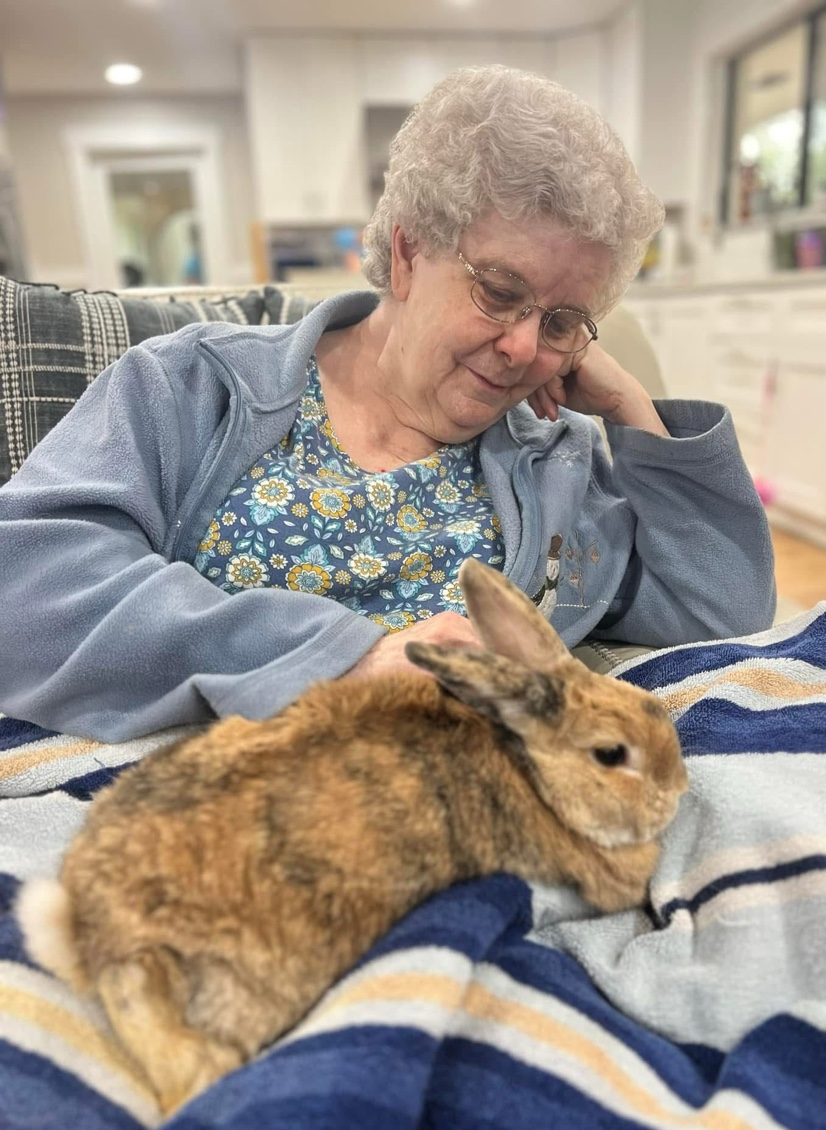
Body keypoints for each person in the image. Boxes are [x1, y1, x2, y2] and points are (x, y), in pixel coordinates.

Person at [0, 65, 775, 744]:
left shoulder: (555, 460)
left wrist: (627, 402)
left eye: (561, 321)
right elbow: (26, 589)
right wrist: (345, 660)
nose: (522, 348)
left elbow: (723, 607)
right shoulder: (191, 385)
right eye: (501, 293)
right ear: (407, 252)